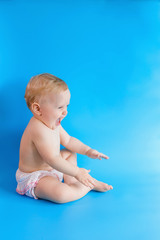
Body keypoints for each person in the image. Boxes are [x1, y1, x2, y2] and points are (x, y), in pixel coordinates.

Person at [16, 73, 113, 203]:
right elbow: (52, 159)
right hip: (36, 176)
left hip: (53, 167)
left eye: (67, 106)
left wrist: (88, 150)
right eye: (60, 107)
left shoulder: (53, 123)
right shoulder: (37, 128)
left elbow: (68, 141)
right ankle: (87, 185)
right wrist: (77, 172)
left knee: (70, 152)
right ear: (38, 109)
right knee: (61, 194)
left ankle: (74, 181)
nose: (65, 112)